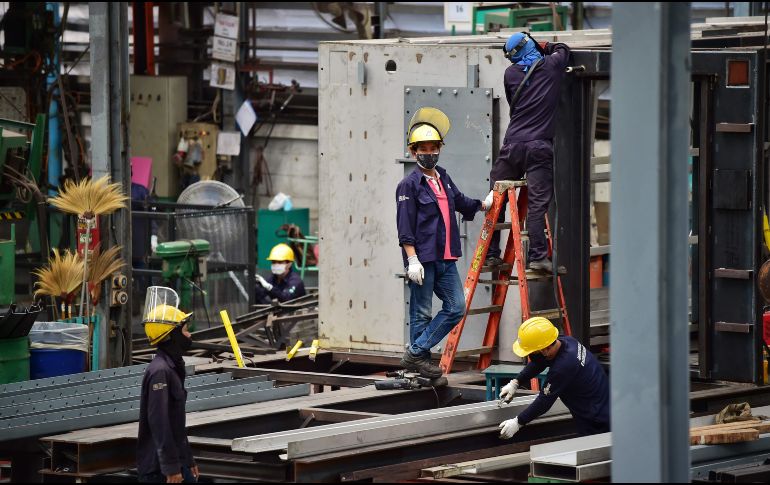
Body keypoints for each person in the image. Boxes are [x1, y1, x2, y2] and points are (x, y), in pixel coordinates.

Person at [396, 107, 491, 379]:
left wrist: (483, 205)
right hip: (423, 259)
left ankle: (415, 353)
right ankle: (421, 365)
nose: (429, 153)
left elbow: (459, 201)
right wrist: (412, 259)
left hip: (446, 257)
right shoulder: (409, 185)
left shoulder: (443, 177)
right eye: (423, 149)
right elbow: (404, 227)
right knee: (422, 313)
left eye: (434, 147)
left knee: (456, 307)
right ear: (413, 152)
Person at [484, 32, 571, 273]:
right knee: (537, 204)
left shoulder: (510, 74)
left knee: (496, 195)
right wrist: (547, 46)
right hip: (539, 146)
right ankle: (537, 257)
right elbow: (564, 49)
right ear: (531, 44)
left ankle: (491, 254)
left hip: (513, 144)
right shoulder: (552, 65)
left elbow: (514, 102)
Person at [497, 317, 610, 439]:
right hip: (599, 404)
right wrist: (516, 382)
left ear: (544, 350)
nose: (530, 357)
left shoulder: (563, 367)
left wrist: (518, 422)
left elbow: (544, 401)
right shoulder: (565, 341)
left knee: (595, 451)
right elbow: (539, 362)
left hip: (597, 419)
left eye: (531, 353)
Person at [137, 286, 199, 483]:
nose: (189, 335)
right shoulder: (160, 372)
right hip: (159, 471)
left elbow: (176, 425)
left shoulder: (171, 368)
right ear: (172, 335)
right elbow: (160, 422)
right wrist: (171, 468)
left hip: (175, 464)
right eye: (185, 330)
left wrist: (188, 459)